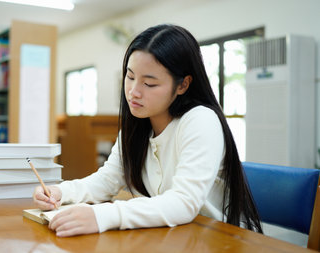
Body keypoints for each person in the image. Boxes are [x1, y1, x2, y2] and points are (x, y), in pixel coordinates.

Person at [33, 24, 263, 237]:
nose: (133, 91)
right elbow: (107, 180)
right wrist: (62, 192)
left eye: (149, 83)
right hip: (172, 235)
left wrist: (103, 216)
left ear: (183, 84)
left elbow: (183, 202)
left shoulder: (200, 120)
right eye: (130, 76)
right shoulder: (139, 124)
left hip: (216, 238)